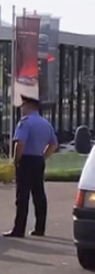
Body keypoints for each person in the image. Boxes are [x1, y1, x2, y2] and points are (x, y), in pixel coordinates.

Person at [4, 95, 58, 238]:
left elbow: (19, 144)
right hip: (38, 160)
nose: (22, 108)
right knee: (39, 194)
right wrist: (43, 156)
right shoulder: (45, 123)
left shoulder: (25, 122)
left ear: (29, 106)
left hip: (26, 161)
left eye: (23, 105)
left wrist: (16, 160)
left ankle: (18, 229)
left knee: (22, 196)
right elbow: (53, 144)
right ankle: (40, 228)